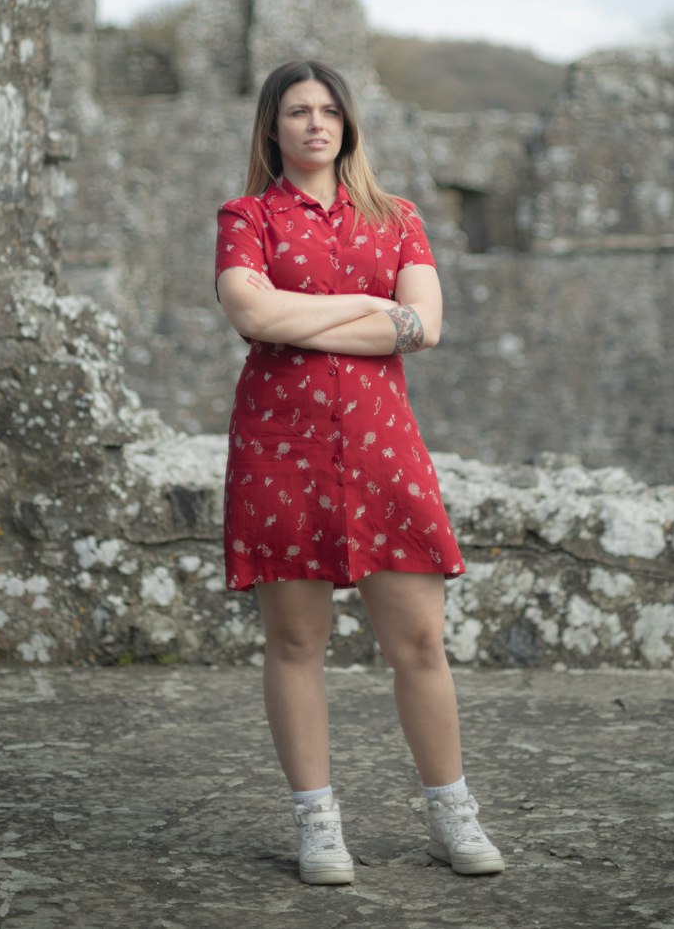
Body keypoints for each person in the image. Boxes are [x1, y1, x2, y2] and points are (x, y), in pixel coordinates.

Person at [215, 59, 504, 885]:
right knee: (297, 640)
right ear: (272, 127)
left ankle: (453, 815)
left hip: (384, 450)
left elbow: (427, 327)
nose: (315, 124)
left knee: (419, 640)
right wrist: (373, 309)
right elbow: (250, 311)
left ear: (349, 124)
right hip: (281, 449)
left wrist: (303, 320)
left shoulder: (399, 217)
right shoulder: (246, 216)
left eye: (329, 111)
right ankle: (318, 827)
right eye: (297, 111)